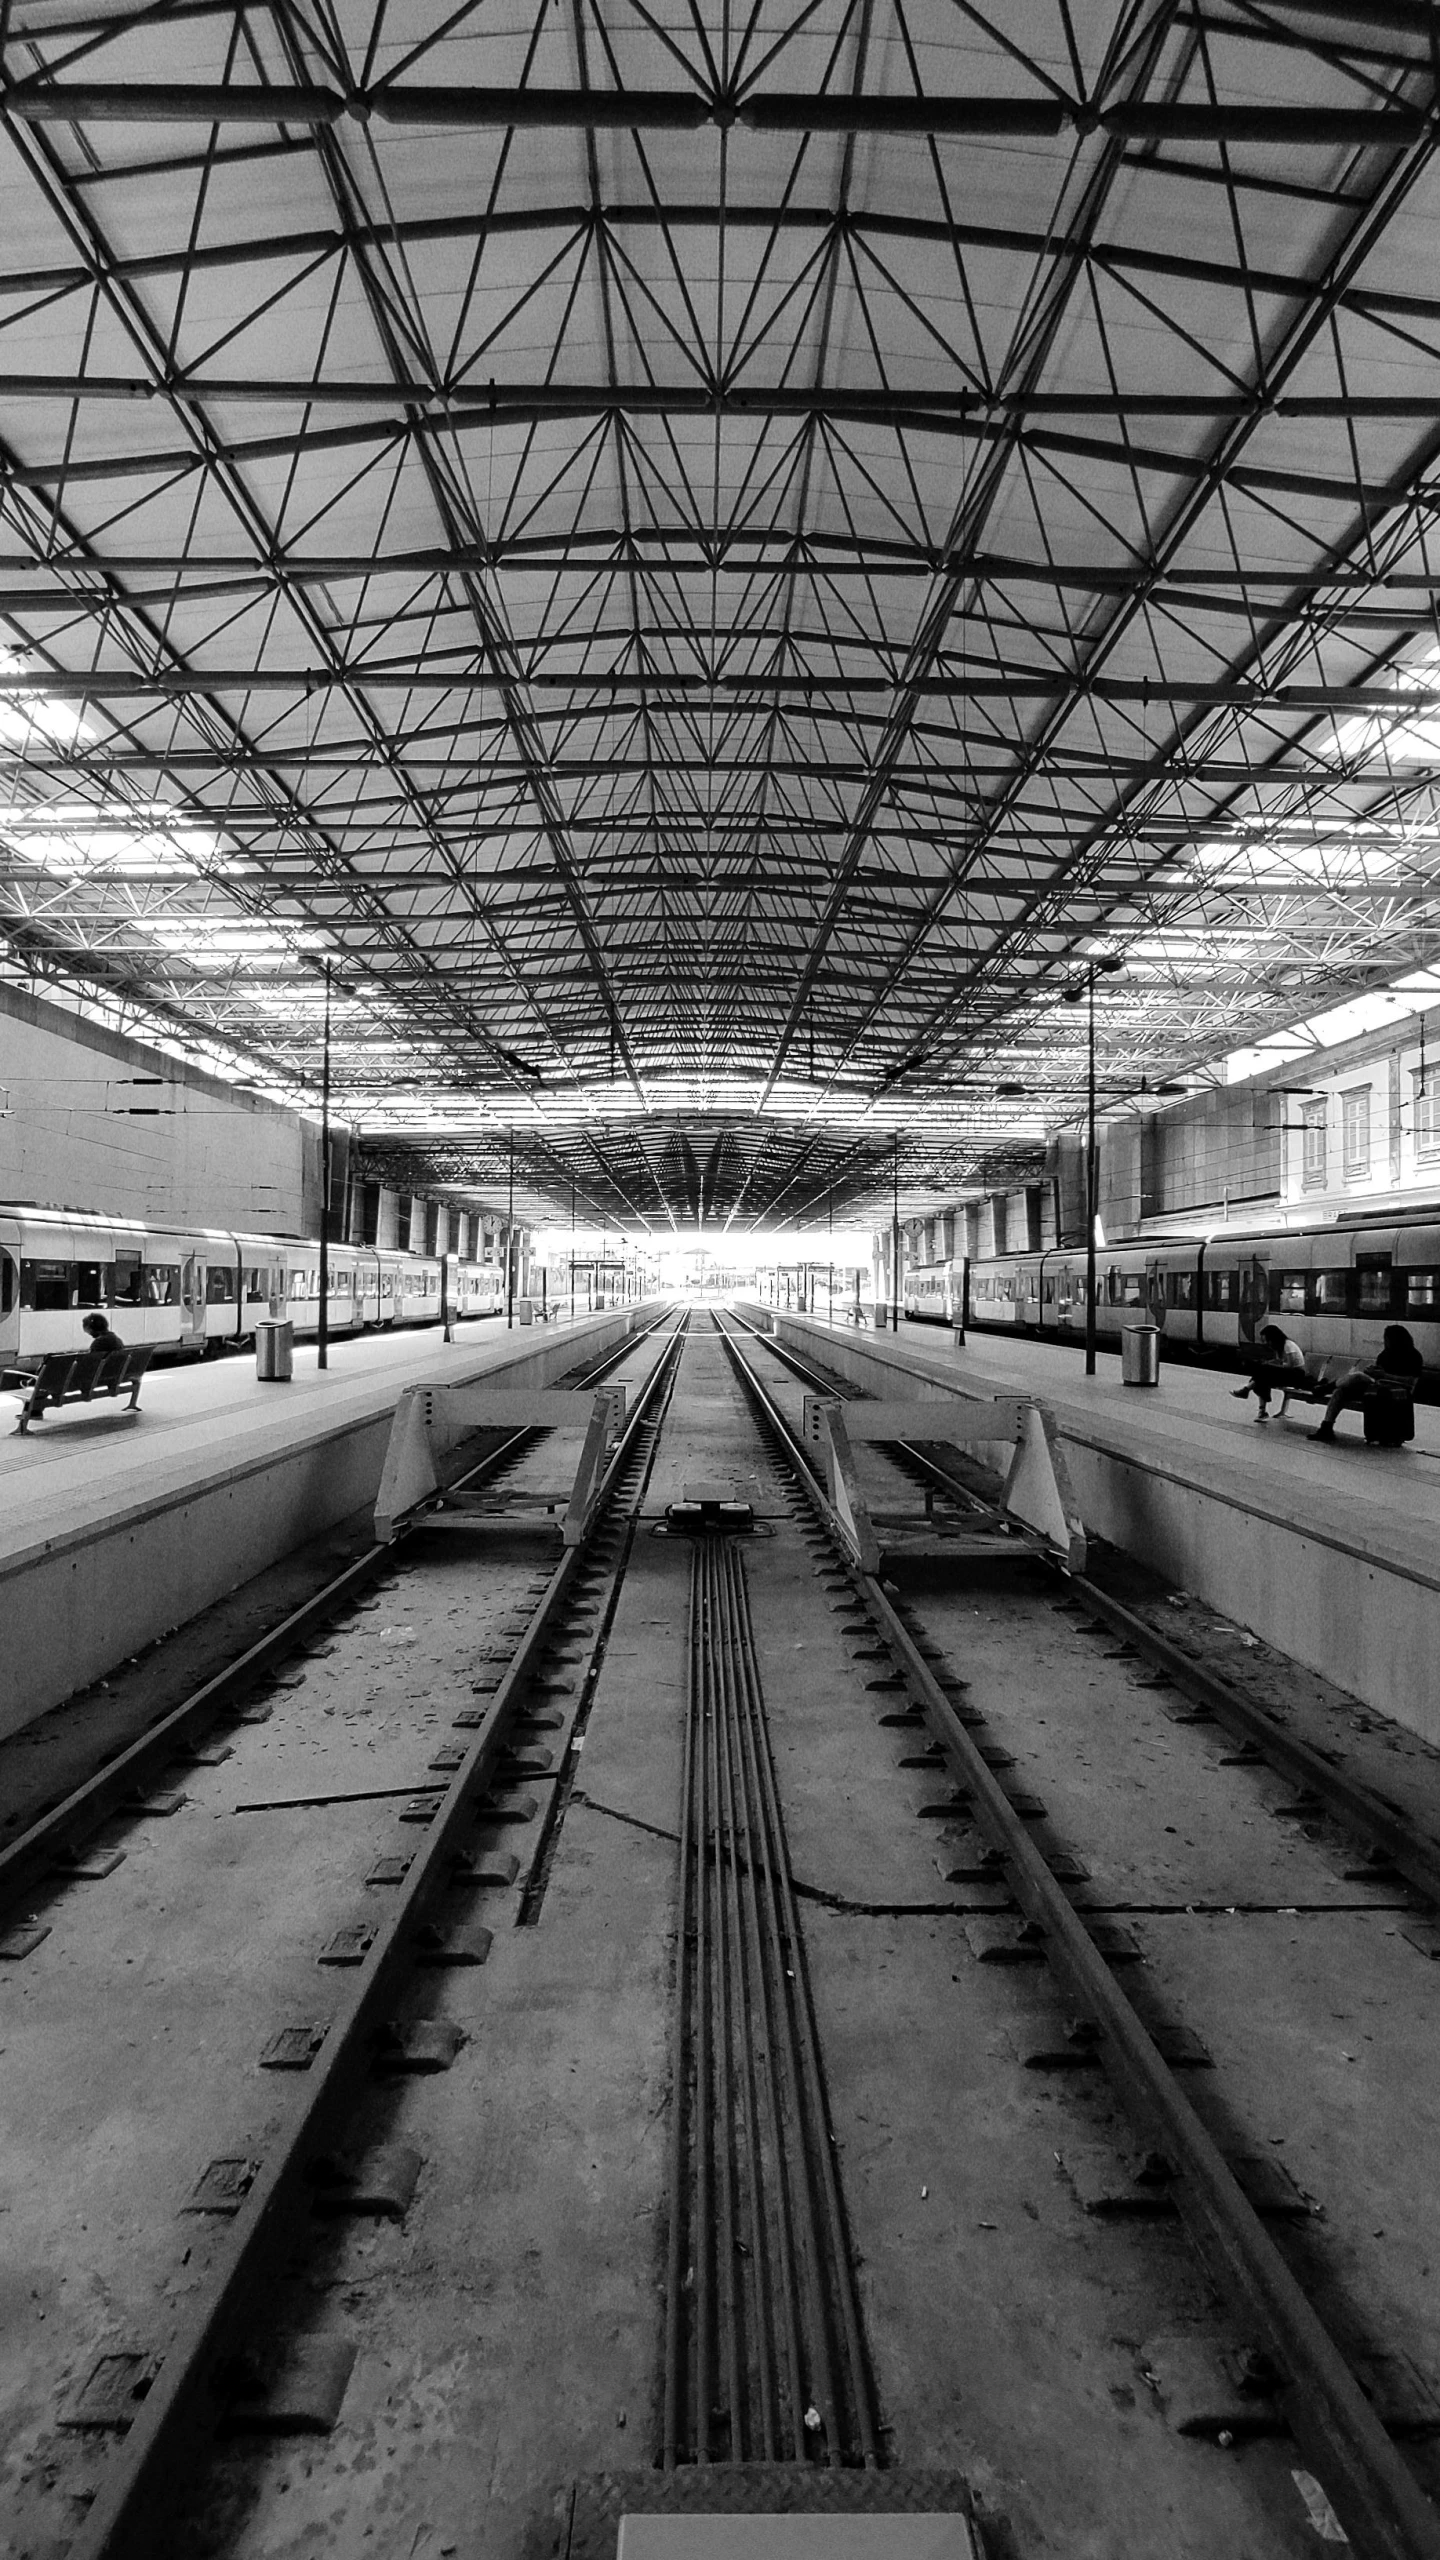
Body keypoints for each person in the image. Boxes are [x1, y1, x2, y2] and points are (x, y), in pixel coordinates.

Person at [1311, 1323, 1424, 1443]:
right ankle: (1326, 1427)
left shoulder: (1413, 1356)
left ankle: (1326, 1387)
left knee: (1358, 1376)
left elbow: (1412, 1381)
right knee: (1341, 1392)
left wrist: (1384, 1375)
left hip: (1398, 1389)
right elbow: (1380, 1372)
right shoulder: (1385, 1354)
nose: (1385, 1342)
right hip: (1378, 1386)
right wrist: (1372, 1371)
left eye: (1387, 1339)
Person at [1230, 1323, 1307, 1420]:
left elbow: (1290, 1365)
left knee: (1263, 1372)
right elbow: (1280, 1362)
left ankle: (1247, 1391)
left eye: (1267, 1340)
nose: (1267, 1343)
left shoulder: (1288, 1345)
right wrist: (1269, 1363)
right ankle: (1261, 1410)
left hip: (1297, 1375)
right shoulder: (1279, 1347)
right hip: (1288, 1374)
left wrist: (1271, 1365)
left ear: (1274, 1338)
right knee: (1262, 1376)